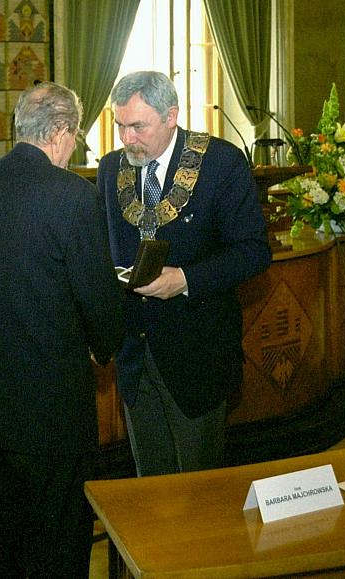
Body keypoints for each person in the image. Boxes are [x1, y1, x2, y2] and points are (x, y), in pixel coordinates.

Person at [0, 81, 124, 577]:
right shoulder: (73, 196)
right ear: (63, 132)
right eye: (77, 137)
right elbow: (98, 304)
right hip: (50, 413)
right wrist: (105, 343)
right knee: (55, 545)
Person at [96, 71, 271, 477]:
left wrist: (185, 280)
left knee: (200, 491)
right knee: (151, 489)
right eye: (120, 126)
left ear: (171, 116)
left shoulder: (221, 163)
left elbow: (253, 252)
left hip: (198, 356)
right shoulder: (110, 170)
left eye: (138, 126)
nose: (127, 139)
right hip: (135, 358)